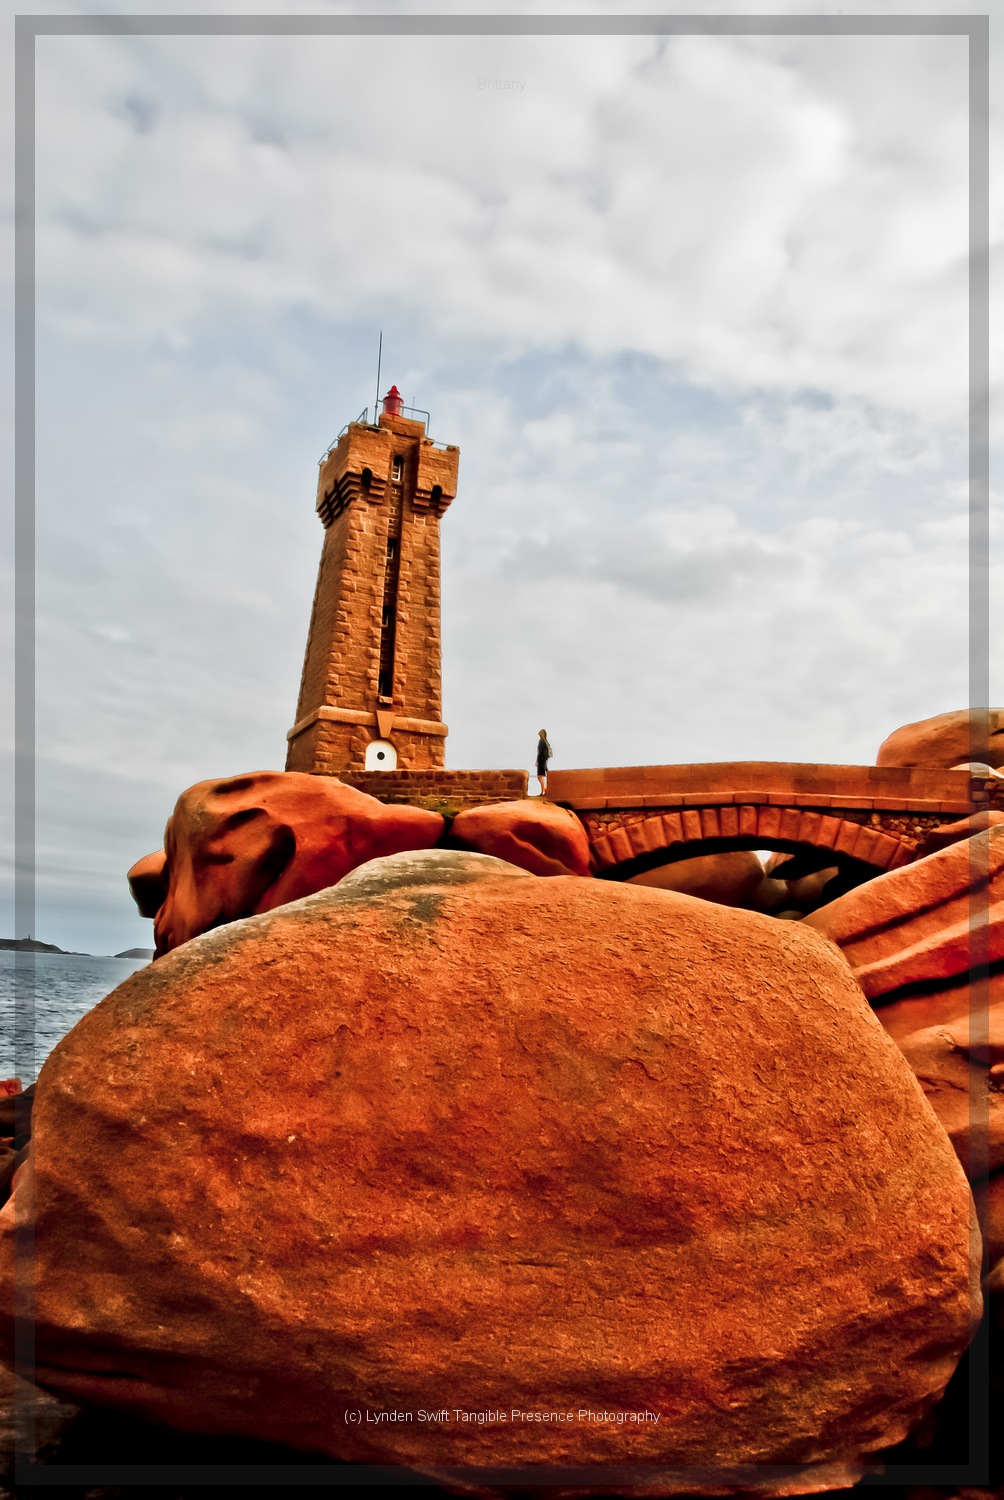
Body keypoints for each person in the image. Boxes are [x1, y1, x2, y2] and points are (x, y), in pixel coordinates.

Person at [535, 729, 552, 796]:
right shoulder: (545, 741)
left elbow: (540, 752)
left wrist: (537, 761)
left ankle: (543, 791)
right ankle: (544, 790)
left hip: (541, 761)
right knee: (541, 776)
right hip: (544, 760)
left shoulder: (541, 741)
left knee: (540, 776)